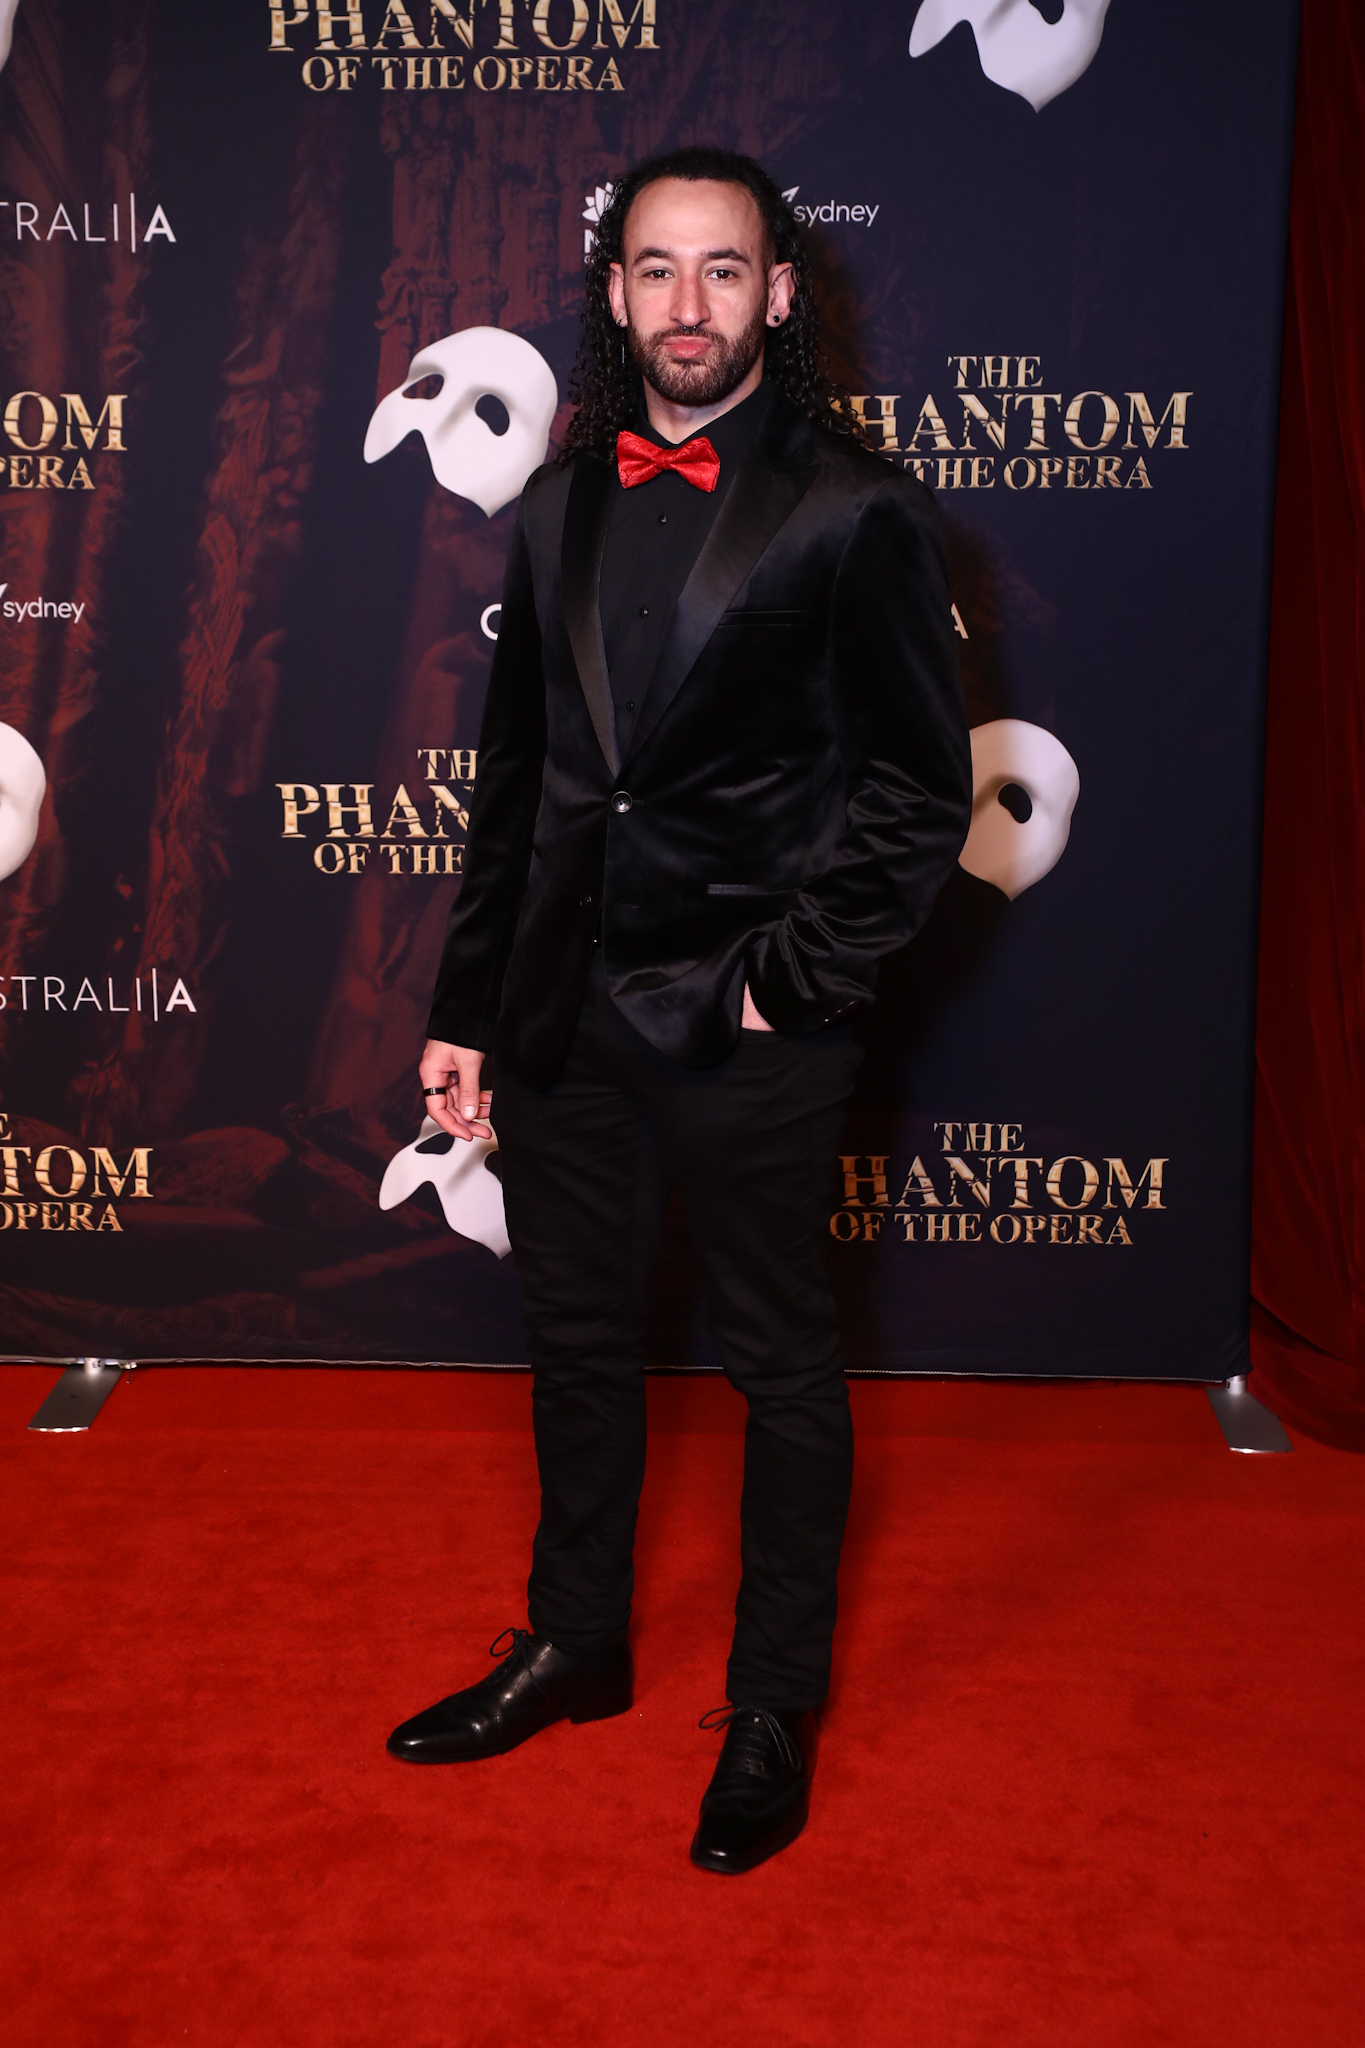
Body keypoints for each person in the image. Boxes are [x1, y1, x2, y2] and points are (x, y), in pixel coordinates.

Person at [387, 147, 972, 1874]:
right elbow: (521, 781)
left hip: (746, 1024)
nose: (688, 302)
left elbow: (917, 793)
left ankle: (774, 1700)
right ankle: (575, 1641)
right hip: (564, 1014)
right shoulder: (556, 502)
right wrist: (470, 1002)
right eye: (656, 268)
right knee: (576, 1348)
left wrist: (792, 982)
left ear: (778, 293)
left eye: (723, 269)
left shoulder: (855, 508)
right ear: (614, 290)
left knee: (781, 1368)